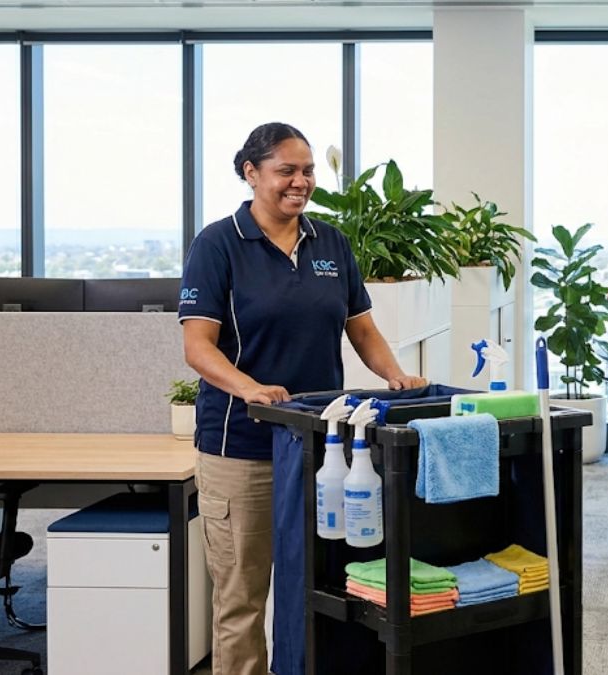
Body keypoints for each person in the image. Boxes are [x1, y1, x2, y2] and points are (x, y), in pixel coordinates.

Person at [178, 122, 426, 675]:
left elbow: (361, 329)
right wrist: (251, 389)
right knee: (243, 599)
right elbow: (198, 347)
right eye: (286, 170)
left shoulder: (330, 242)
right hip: (242, 446)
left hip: (322, 450)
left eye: (308, 170)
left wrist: (396, 375)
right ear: (251, 173)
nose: (301, 181)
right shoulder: (218, 244)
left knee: (324, 584)